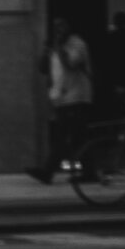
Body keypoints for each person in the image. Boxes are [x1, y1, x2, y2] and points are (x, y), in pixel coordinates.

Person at [27, 16, 94, 183]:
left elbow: (71, 64)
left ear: (69, 27)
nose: (59, 30)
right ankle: (90, 173)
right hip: (60, 98)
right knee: (78, 137)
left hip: (76, 97)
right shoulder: (54, 47)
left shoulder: (77, 44)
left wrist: (58, 46)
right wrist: (46, 50)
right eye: (56, 27)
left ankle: (47, 172)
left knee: (63, 137)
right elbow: (42, 68)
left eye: (62, 26)